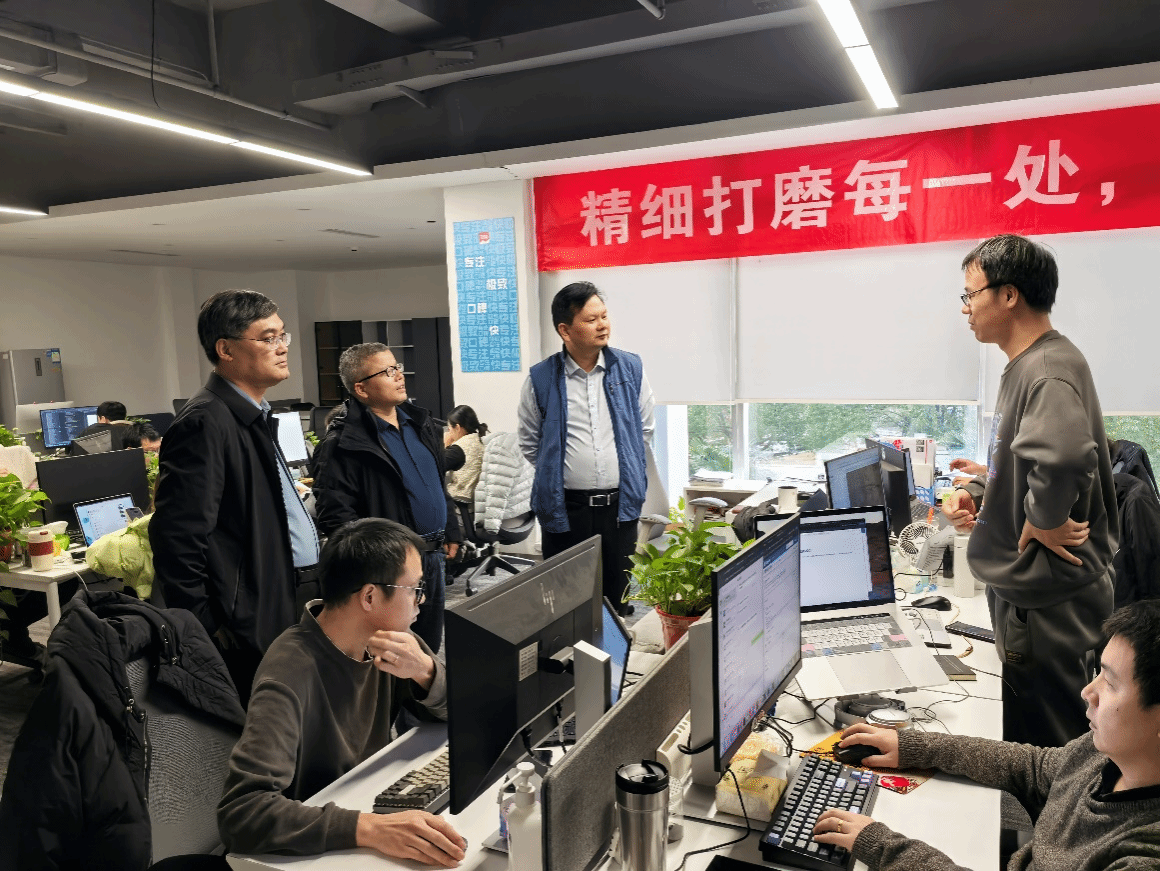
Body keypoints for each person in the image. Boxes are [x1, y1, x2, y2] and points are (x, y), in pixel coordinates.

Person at [812, 599, 1160, 871]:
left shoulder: (1142, 857)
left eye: (1110, 683)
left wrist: (882, 846)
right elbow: (1035, 767)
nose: (1088, 691)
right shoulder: (1104, 754)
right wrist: (914, 746)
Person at [942, 234, 1117, 747]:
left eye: (971, 294)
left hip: (1047, 602)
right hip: (1042, 597)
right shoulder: (1032, 362)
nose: (966, 308)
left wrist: (1043, 518)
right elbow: (1025, 456)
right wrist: (983, 490)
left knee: (1048, 751)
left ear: (1008, 295)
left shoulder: (1045, 369)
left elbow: (1064, 456)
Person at [217, 518, 467, 867]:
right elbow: (242, 813)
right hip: (312, 850)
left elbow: (466, 714)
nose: (420, 600)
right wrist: (369, 828)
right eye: (414, 588)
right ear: (370, 596)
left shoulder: (391, 642)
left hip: (366, 800)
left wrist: (425, 672)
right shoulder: (289, 672)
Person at [149, 289, 319, 705]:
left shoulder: (252, 413)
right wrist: (206, 627)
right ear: (225, 349)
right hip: (246, 622)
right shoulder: (206, 422)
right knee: (263, 726)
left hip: (279, 599)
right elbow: (177, 537)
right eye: (268, 338)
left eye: (282, 336)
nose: (282, 348)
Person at [312, 343, 461, 654]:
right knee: (391, 653)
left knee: (427, 649)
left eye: (398, 367)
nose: (399, 376)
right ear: (361, 388)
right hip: (390, 570)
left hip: (431, 557)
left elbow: (435, 482)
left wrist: (451, 528)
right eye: (387, 371)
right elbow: (335, 515)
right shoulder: (343, 442)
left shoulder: (421, 425)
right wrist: (379, 564)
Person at [517, 281, 655, 614]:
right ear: (565, 330)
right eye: (591, 320)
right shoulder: (541, 378)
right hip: (566, 508)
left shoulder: (630, 369)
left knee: (616, 600)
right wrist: (559, 472)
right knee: (567, 603)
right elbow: (530, 441)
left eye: (604, 316)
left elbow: (644, 431)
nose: (602, 325)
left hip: (619, 508)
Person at [443, 404, 488, 543]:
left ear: (457, 427)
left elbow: (434, 468)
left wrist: (445, 446)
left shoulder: (458, 449)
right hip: (480, 507)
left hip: (464, 509)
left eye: (449, 429)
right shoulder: (482, 440)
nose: (449, 432)